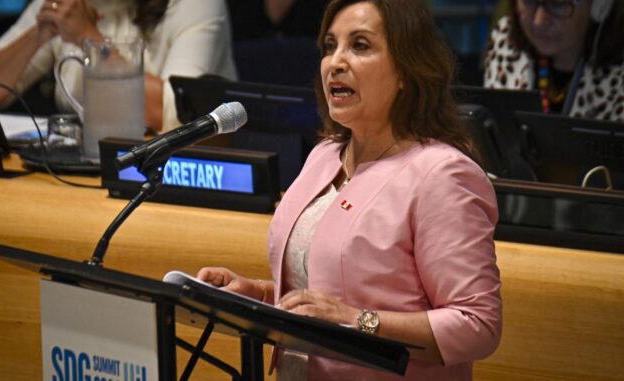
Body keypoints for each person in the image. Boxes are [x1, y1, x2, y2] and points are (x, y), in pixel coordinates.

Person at [197, 0, 502, 379]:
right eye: (329, 46)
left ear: (408, 68)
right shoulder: (325, 155)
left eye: (359, 45)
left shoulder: (442, 175)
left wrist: (360, 321)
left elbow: (478, 325)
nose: (335, 62)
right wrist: (257, 293)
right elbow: (325, 292)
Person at [0, 0, 237, 132]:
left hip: (176, 174)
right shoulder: (69, 6)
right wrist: (38, 35)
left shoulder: (197, 5)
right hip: (85, 171)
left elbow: (176, 116)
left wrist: (89, 38)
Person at [484, 0, 624, 122]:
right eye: (529, 1)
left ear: (600, 5)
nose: (540, 21)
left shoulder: (619, 79)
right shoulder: (506, 39)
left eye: (558, 3)